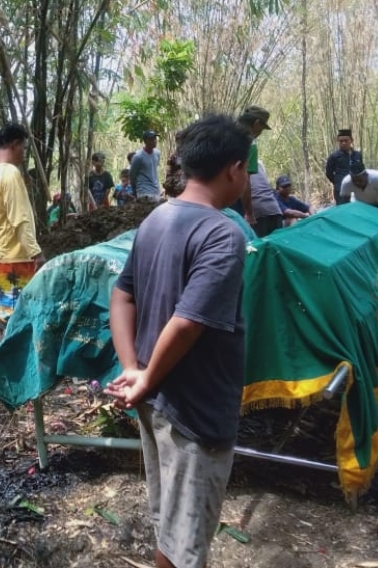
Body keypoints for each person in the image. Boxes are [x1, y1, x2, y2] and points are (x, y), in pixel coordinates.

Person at [107, 113, 252, 568]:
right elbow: (188, 322)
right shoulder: (222, 233)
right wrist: (145, 377)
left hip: (158, 401)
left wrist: (134, 369)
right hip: (195, 408)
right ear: (233, 168)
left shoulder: (156, 219)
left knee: (170, 527)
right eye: (245, 169)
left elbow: (120, 295)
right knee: (186, 542)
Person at [0, 123, 44, 325]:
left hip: (1, 255)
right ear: (14, 145)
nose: (24, 153)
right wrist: (35, 251)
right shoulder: (10, 174)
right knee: (19, 317)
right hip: (15, 257)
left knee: (7, 314)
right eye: (24, 147)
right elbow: (18, 218)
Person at [234, 106, 273, 224]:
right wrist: (249, 213)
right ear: (256, 123)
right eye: (261, 129)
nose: (260, 133)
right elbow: (245, 181)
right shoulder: (249, 145)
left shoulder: (219, 135)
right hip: (231, 202)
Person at [325, 128, 364, 204]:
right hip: (341, 190)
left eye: (346, 141)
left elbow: (362, 170)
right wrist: (337, 182)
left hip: (357, 188)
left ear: (351, 140)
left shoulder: (357, 155)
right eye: (341, 141)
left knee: (358, 209)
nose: (343, 143)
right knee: (343, 211)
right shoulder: (334, 156)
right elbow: (328, 173)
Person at [249, 162, 284, 237]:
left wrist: (248, 213)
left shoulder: (240, 163)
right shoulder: (259, 163)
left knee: (262, 245)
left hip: (258, 210)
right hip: (274, 208)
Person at [130, 130, 162, 201]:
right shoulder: (138, 157)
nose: (154, 141)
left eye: (155, 139)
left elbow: (153, 170)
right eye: (151, 139)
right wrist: (134, 191)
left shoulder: (157, 153)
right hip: (144, 191)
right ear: (145, 141)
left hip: (155, 190)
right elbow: (132, 175)